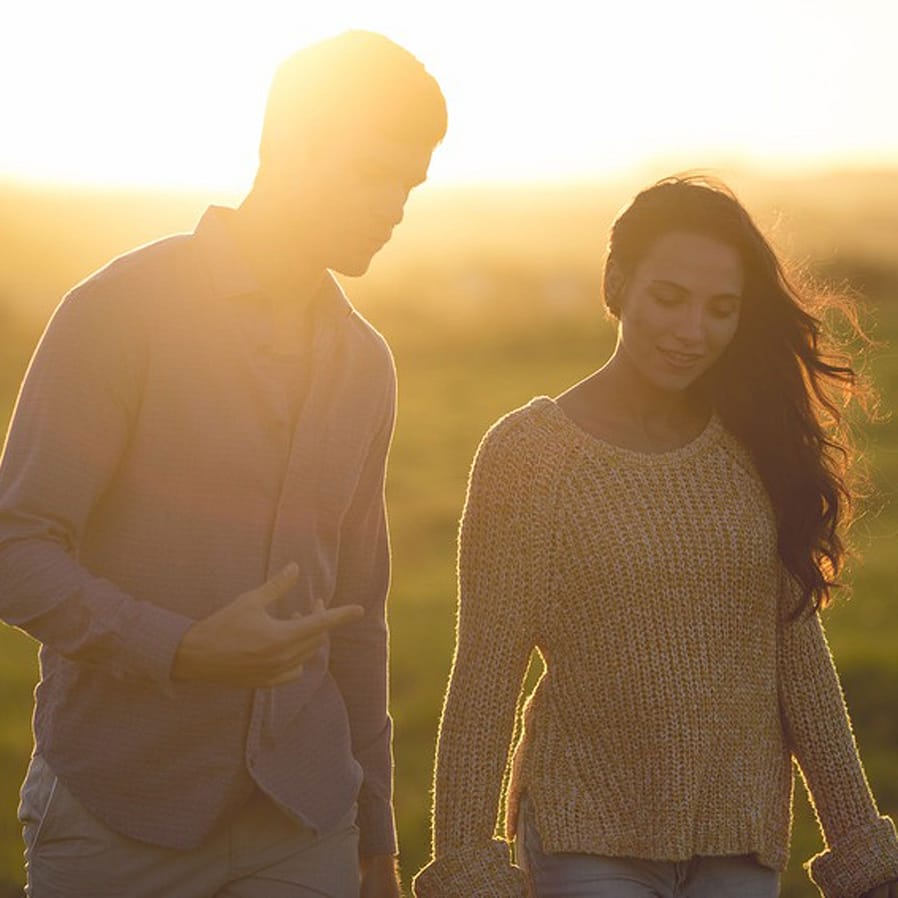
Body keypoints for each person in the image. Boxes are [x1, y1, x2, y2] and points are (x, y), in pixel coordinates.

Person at [0, 29, 446, 898]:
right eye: (374, 173)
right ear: (286, 146)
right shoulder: (117, 313)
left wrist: (375, 833)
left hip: (304, 822)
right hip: (119, 815)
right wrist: (183, 648)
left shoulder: (366, 363)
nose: (394, 205)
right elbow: (14, 544)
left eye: (411, 184)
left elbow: (358, 615)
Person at [412, 176, 898, 898]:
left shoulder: (754, 443)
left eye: (720, 309)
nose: (692, 330)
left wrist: (863, 849)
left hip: (740, 834)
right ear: (617, 284)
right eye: (670, 298)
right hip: (586, 832)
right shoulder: (529, 453)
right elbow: (487, 673)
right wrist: (466, 864)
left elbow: (797, 655)